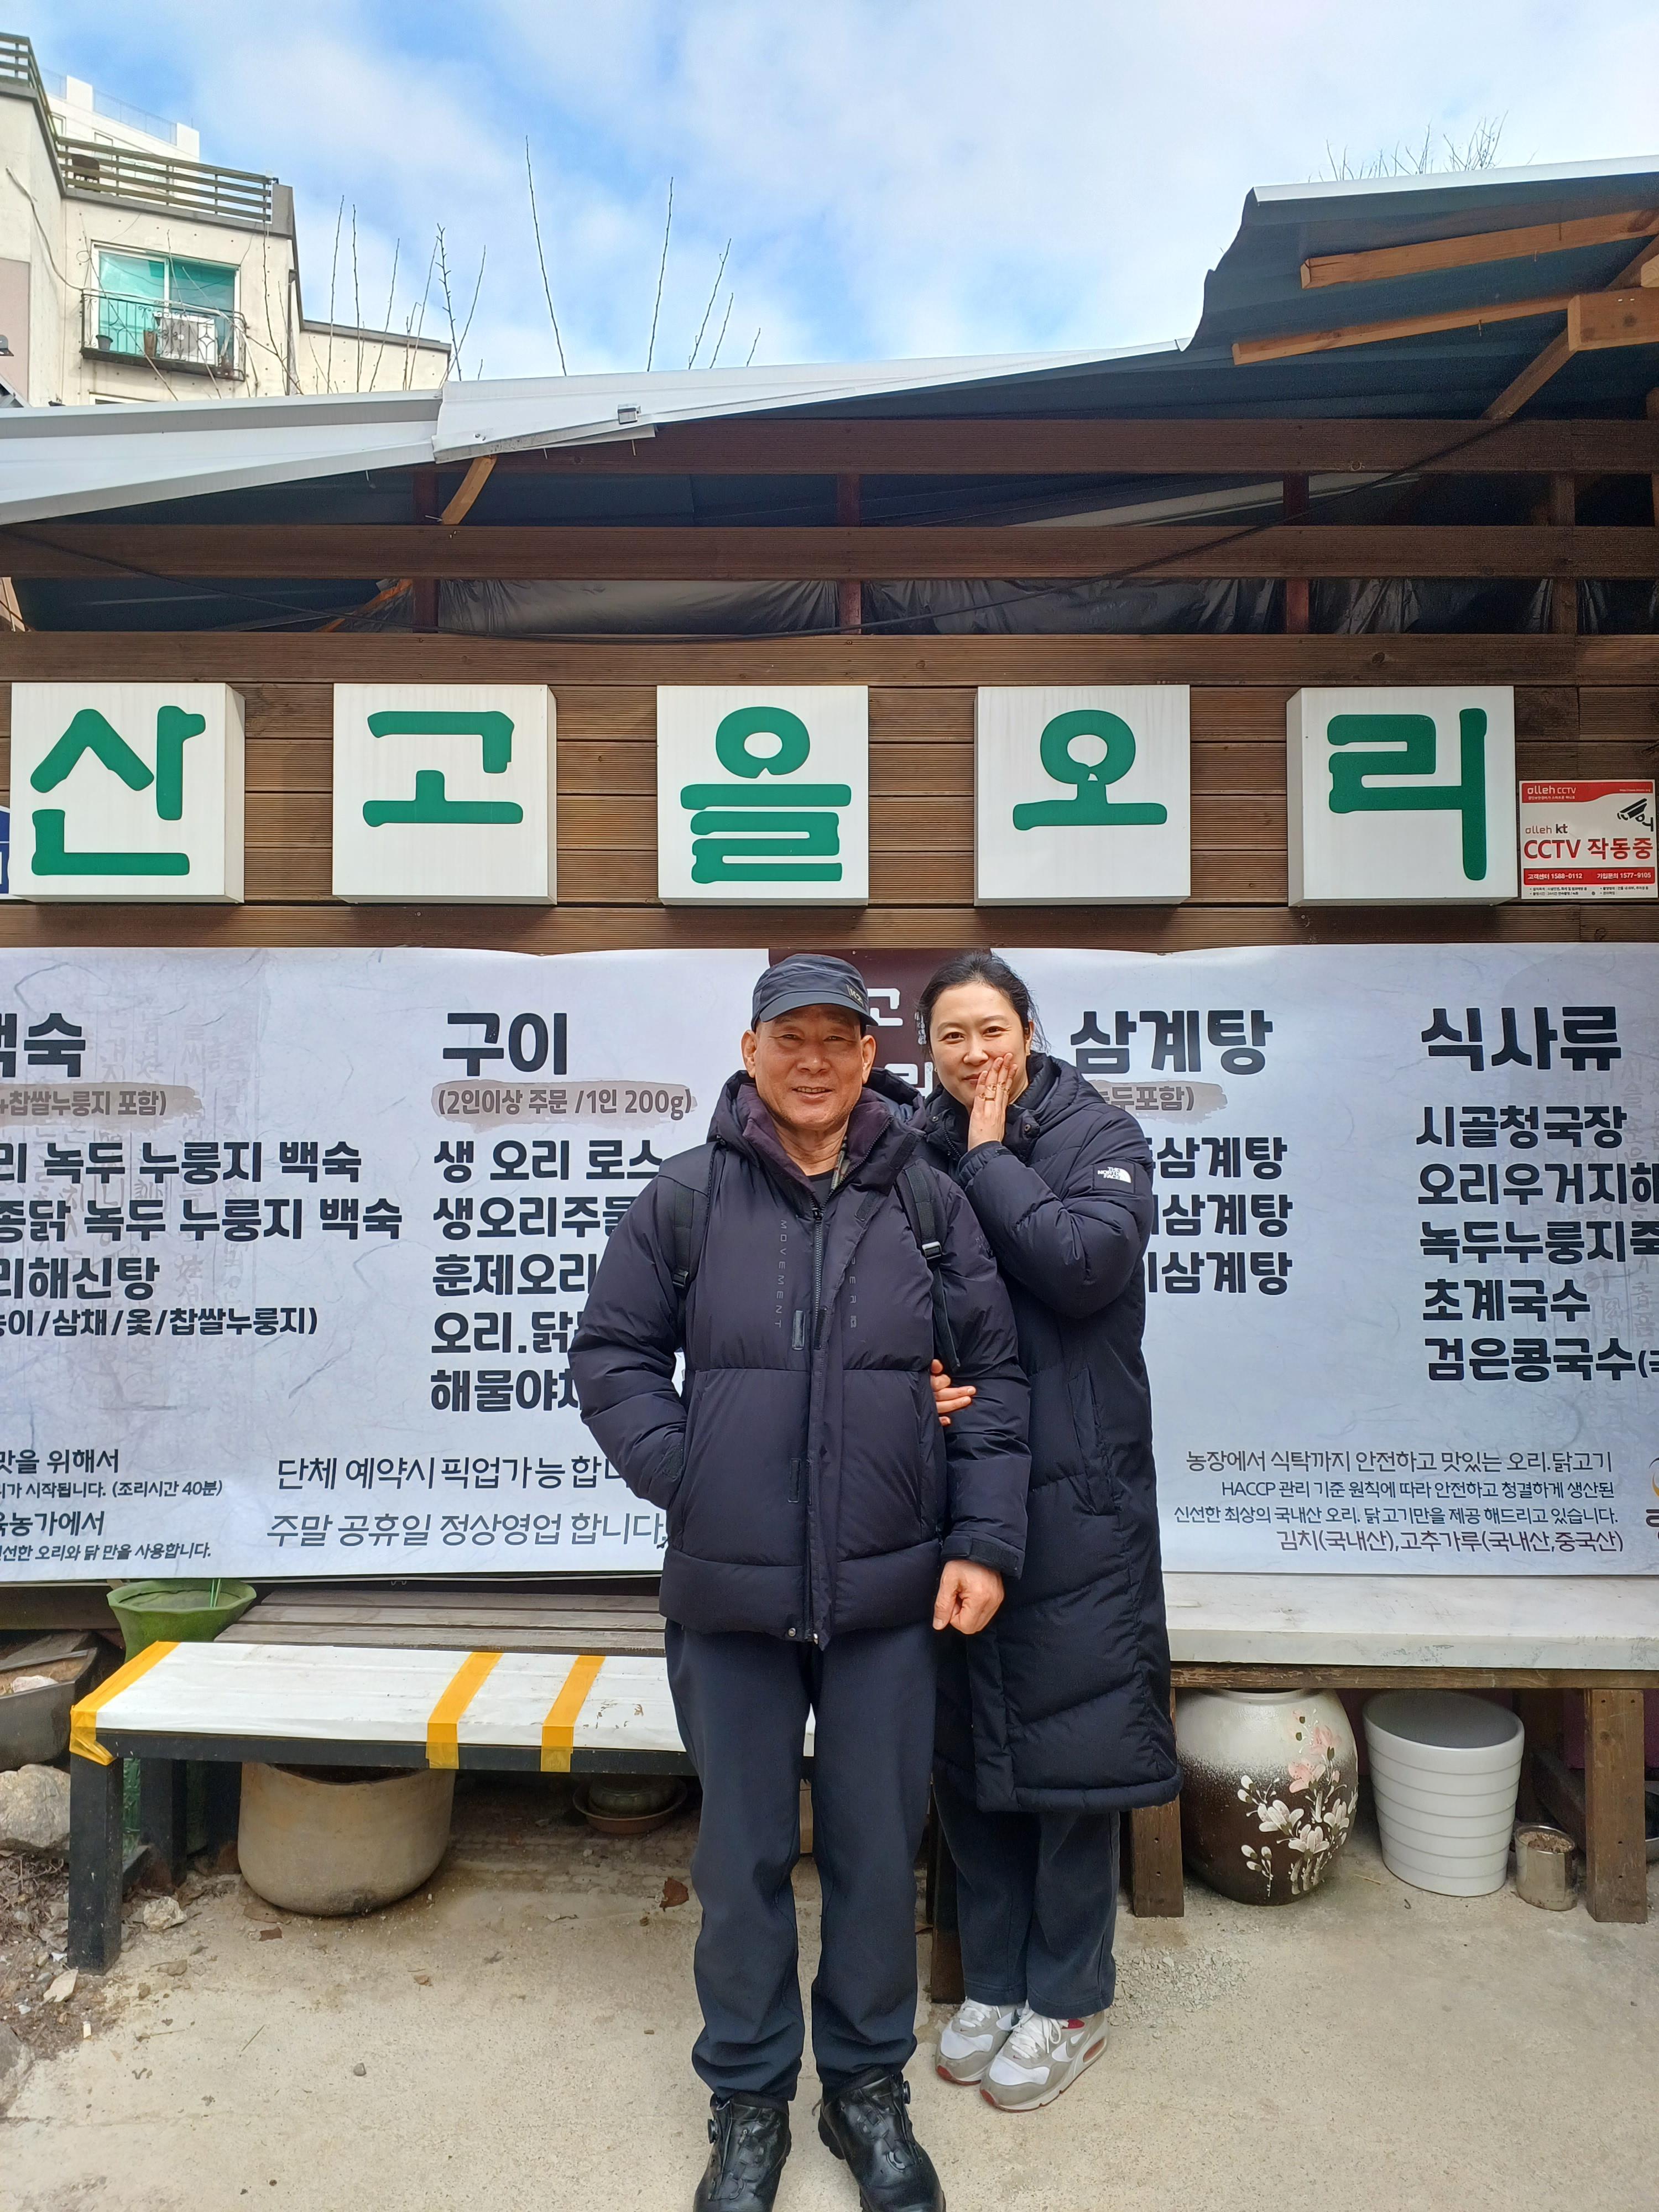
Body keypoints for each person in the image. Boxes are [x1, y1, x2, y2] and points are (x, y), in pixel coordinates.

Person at [571, 953, 1030, 2212]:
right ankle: (749, 2098)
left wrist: (983, 1542)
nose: (815, 1060)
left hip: (890, 1595)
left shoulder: (927, 1199)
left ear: (870, 1054)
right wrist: (693, 1475)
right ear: (751, 1049)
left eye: (839, 1037)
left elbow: (994, 1380)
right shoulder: (686, 1197)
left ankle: (866, 2088)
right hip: (731, 1598)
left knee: (878, 1855)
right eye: (792, 1037)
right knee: (743, 1858)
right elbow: (611, 1355)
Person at [910, 951, 1179, 2114]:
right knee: (971, 1741)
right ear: (927, 1047)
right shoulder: (905, 1144)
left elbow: (1082, 1265)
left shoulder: (1097, 1133)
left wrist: (985, 1157)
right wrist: (912, 1377)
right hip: (959, 1482)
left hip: (1079, 1488)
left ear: (1028, 1028)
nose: (974, 1053)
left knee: (1075, 1748)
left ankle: (1069, 1998)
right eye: (952, 1035)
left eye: (992, 1028)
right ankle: (996, 1977)